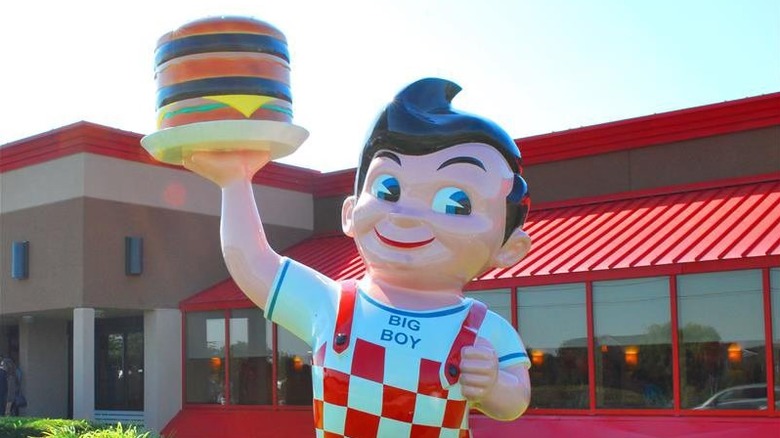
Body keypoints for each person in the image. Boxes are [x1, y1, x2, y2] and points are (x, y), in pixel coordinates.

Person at [184, 78, 533, 436]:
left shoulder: (481, 330)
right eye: (388, 188)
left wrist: (494, 385)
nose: (406, 214)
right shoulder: (332, 306)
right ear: (349, 212)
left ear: (510, 247)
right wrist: (234, 183)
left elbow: (516, 400)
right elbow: (254, 262)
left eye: (456, 203)